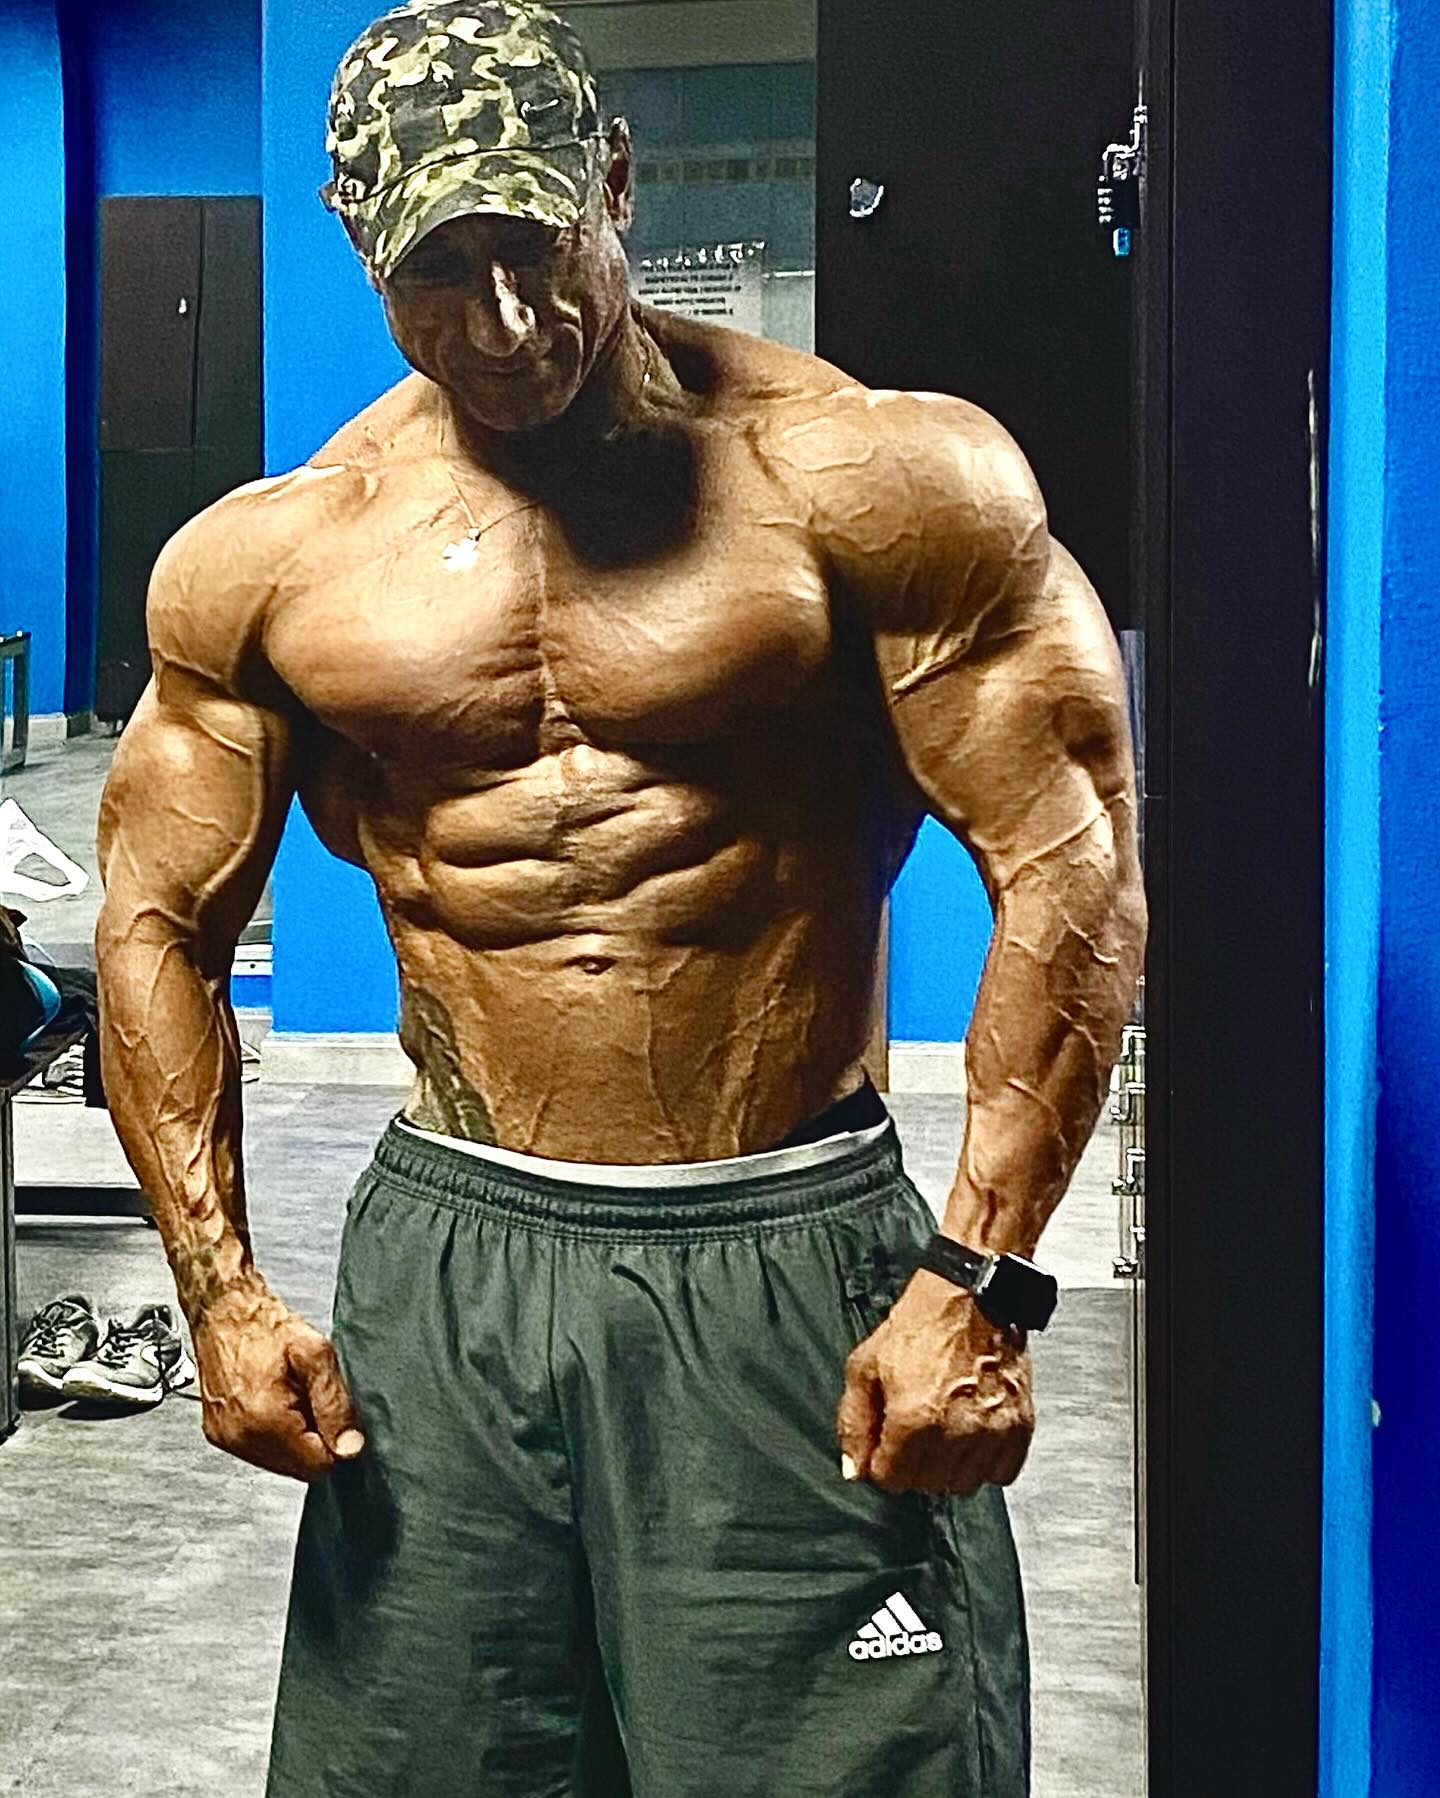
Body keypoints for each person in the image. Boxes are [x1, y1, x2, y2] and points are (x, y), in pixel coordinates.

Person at [93, 3, 1146, 1792]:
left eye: (535, 246)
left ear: (618, 185)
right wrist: (219, 1291)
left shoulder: (875, 479)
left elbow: (1071, 859)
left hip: (787, 1248)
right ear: (362, 253)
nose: (505, 325)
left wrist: (982, 1276)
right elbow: (153, 922)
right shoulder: (274, 557)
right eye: (442, 274)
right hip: (451, 1266)